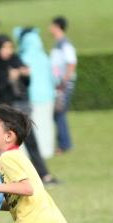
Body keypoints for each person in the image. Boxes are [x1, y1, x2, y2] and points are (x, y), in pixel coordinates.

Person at [0, 35, 58, 184]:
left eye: (10, 47)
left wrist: (26, 75)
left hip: (20, 111)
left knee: (31, 141)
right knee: (5, 148)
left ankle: (44, 175)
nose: (8, 51)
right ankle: (6, 179)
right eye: (4, 48)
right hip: (4, 112)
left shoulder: (16, 60)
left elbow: (26, 84)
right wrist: (10, 78)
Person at [15, 26, 57, 159]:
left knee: (30, 126)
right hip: (48, 96)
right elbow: (53, 77)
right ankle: (47, 150)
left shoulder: (23, 57)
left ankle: (29, 151)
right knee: (46, 123)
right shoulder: (44, 57)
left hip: (31, 97)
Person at [50, 16, 77, 154]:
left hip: (63, 85)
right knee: (59, 114)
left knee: (59, 113)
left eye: (51, 26)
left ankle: (64, 145)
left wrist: (64, 82)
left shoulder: (65, 44)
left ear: (57, 26)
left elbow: (71, 63)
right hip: (59, 84)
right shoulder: (58, 43)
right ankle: (64, 144)